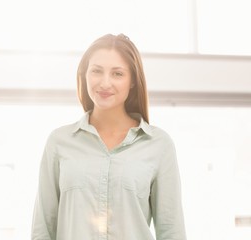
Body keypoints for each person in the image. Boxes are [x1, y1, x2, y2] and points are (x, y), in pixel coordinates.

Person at [31, 33, 187, 240]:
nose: (105, 83)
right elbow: (43, 229)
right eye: (96, 71)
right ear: (84, 75)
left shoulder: (159, 145)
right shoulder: (59, 142)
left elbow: (171, 231)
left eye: (117, 74)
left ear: (132, 81)